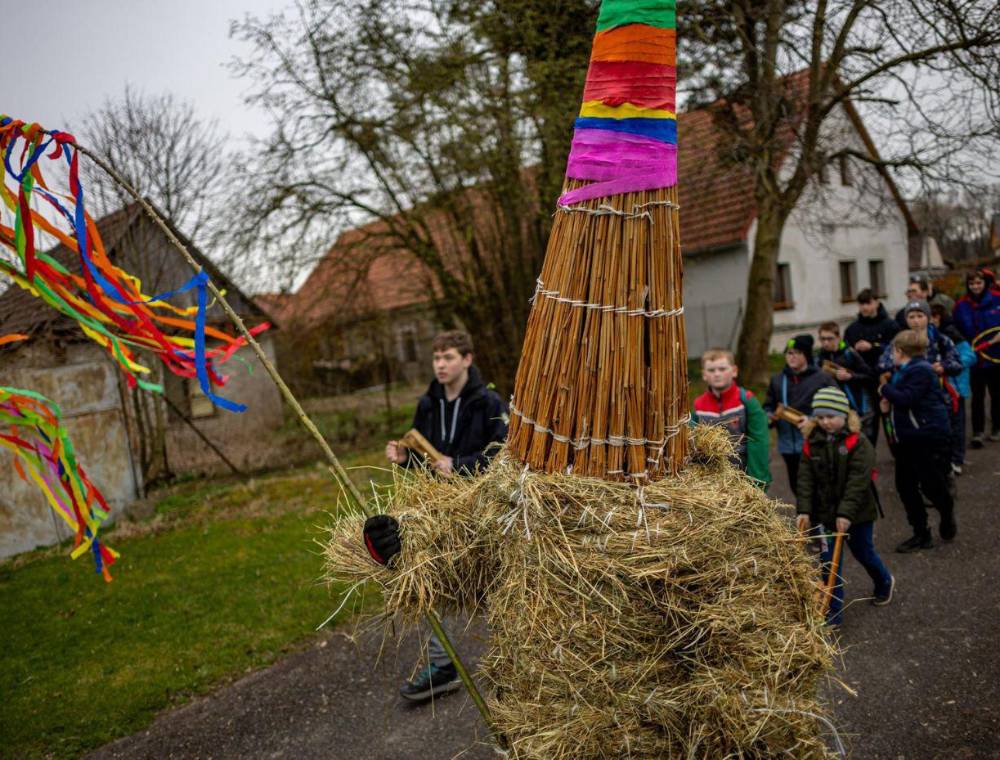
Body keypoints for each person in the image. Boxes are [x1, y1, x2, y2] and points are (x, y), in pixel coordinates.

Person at [382, 329, 507, 701]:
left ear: (467, 359)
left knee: (496, 582)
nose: (440, 364)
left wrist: (462, 466)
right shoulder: (427, 404)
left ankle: (512, 657)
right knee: (428, 577)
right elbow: (425, 461)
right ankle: (442, 664)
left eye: (448, 356)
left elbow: (504, 454)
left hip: (483, 506)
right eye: (436, 357)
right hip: (439, 509)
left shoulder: (489, 403)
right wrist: (406, 459)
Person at [796, 387, 894, 627]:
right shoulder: (812, 442)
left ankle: (884, 581)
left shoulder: (858, 443)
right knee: (828, 562)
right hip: (824, 515)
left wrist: (846, 513)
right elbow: (805, 478)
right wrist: (805, 509)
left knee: (863, 552)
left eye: (831, 416)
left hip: (856, 514)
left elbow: (858, 482)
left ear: (844, 414)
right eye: (820, 417)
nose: (826, 422)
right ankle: (833, 612)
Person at [879, 330, 956, 552]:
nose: (892, 354)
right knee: (905, 485)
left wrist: (884, 388)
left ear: (900, 351)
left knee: (931, 485)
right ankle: (921, 533)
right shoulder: (903, 371)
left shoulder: (921, 371)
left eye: (893, 350)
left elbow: (906, 398)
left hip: (926, 437)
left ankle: (946, 510)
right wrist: (887, 406)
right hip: (906, 438)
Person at [763, 335, 837, 494]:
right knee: (798, 489)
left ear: (806, 355)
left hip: (817, 443)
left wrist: (812, 421)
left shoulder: (822, 379)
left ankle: (821, 518)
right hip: (789, 447)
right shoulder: (778, 380)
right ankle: (808, 518)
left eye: (797, 353)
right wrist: (770, 417)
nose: (792, 357)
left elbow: (837, 408)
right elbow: (768, 406)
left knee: (821, 488)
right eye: (789, 353)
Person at [692, 349, 771, 489]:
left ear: (734, 371)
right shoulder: (698, 406)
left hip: (743, 474)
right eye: (711, 370)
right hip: (711, 479)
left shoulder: (746, 401)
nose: (717, 374)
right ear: (704, 374)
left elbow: (759, 441)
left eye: (722, 369)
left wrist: (758, 481)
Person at [844, 289, 899, 445]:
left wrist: (873, 346)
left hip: (886, 380)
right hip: (863, 382)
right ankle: (868, 456)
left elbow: (897, 349)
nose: (864, 308)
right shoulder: (852, 328)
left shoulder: (890, 325)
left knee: (890, 420)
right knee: (868, 424)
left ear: (877, 302)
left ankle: (898, 452)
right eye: (861, 304)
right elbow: (845, 350)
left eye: (868, 303)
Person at [952, 268, 1000, 448]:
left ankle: (996, 427)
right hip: (975, 359)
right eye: (972, 284)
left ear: (985, 283)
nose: (975, 287)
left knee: (997, 395)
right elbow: (956, 330)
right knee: (977, 397)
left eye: (979, 283)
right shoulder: (961, 306)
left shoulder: (997, 299)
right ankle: (978, 432)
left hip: (996, 357)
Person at [931, 303, 976, 474]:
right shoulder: (928, 337)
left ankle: (957, 458)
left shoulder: (951, 334)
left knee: (957, 425)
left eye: (933, 317)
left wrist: (948, 366)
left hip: (955, 387)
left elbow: (970, 356)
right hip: (938, 388)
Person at [816, 321, 876, 441]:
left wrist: (851, 376)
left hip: (861, 409)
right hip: (837, 411)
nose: (825, 343)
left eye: (829, 339)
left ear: (838, 337)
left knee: (865, 447)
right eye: (822, 339)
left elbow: (870, 377)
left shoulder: (850, 353)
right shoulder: (820, 357)